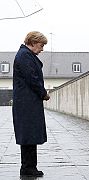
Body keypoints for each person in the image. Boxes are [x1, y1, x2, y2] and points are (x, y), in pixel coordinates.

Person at [12, 31, 50, 177]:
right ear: (33, 42)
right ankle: (28, 168)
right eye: (41, 45)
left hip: (27, 102)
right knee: (28, 134)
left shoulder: (26, 55)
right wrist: (43, 93)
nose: (42, 49)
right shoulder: (24, 56)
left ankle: (29, 167)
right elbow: (32, 79)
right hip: (26, 102)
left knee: (29, 134)